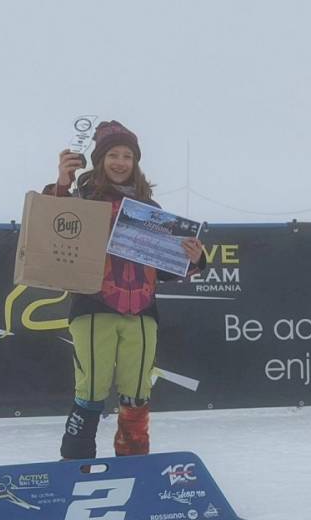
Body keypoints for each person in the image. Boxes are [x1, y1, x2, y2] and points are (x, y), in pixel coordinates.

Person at [42, 120, 206, 458]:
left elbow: (163, 270)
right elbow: (52, 227)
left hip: (142, 314)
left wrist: (194, 260)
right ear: (100, 159)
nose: (120, 162)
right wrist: (61, 182)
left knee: (137, 393)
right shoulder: (83, 197)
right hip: (93, 308)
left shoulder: (152, 211)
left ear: (136, 162)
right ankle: (76, 464)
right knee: (91, 390)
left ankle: (134, 467)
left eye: (127, 156)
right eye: (112, 154)